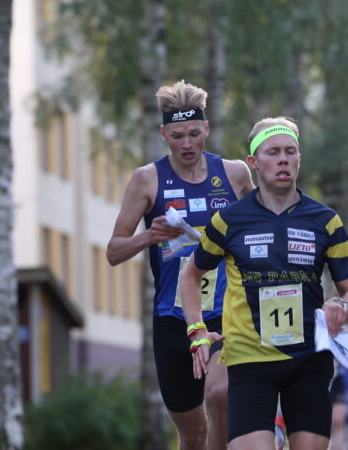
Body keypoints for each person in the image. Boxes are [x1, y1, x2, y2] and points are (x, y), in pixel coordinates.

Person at [179, 117, 348, 450]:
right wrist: (196, 329)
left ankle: (281, 431)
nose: (283, 159)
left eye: (290, 152)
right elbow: (191, 275)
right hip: (249, 359)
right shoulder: (229, 220)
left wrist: (340, 304)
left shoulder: (325, 220)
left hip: (309, 358)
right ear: (253, 162)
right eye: (273, 152)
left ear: (299, 159)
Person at [106, 80, 254, 450]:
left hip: (226, 314)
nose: (186, 144)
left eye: (193, 134)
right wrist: (148, 237)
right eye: (176, 136)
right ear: (164, 134)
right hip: (173, 320)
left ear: (207, 129)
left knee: (219, 397)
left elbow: (260, 228)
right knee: (193, 434)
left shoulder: (234, 174)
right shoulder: (147, 179)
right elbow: (113, 251)